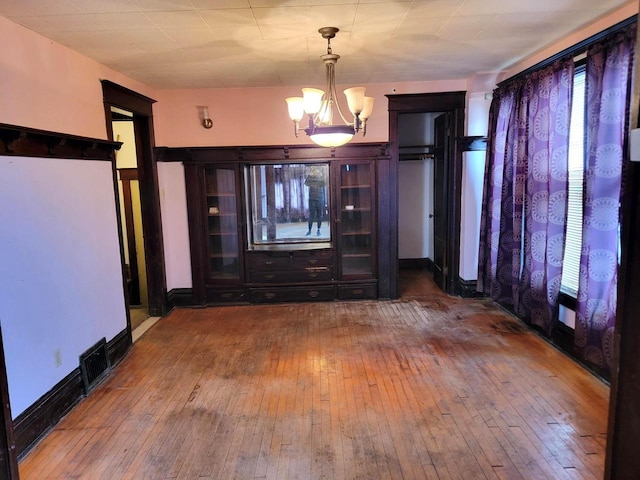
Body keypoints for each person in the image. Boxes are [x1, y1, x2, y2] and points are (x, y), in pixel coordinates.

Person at [305, 167, 326, 236]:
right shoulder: (310, 177)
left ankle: (318, 230)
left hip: (320, 198)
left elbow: (324, 184)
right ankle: (309, 230)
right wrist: (310, 176)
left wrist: (319, 176)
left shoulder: (321, 177)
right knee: (311, 215)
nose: (316, 172)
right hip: (312, 199)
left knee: (320, 215)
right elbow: (306, 183)